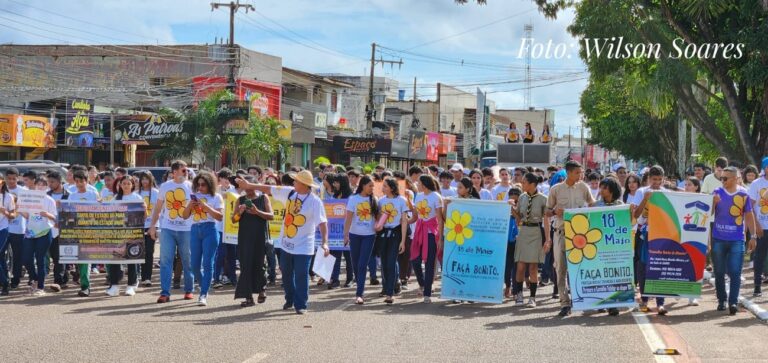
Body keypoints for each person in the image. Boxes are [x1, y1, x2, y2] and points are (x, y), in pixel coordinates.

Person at [236, 170, 329, 314]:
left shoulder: (314, 201)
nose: (293, 183)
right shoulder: (290, 192)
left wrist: (324, 242)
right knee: (286, 273)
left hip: (304, 246)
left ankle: (301, 305)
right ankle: (289, 299)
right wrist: (249, 184)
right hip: (286, 243)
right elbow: (268, 189)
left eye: (296, 181)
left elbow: (322, 223)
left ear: (304, 184)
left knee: (301, 275)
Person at [546, 161, 595, 317]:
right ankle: (564, 303)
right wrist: (554, 211)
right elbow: (546, 211)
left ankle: (581, 299)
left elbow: (593, 204)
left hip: (581, 235)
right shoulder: (556, 190)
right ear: (568, 173)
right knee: (561, 269)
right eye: (577, 173)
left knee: (580, 269)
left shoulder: (583, 187)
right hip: (561, 232)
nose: (580, 175)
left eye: (581, 172)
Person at [710, 167, 757, 315]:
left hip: (737, 239)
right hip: (718, 238)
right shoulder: (717, 192)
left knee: (735, 272)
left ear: (735, 179)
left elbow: (749, 216)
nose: (722, 181)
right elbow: (708, 213)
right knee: (719, 272)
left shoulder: (744, 194)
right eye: (721, 178)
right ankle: (722, 300)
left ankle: (733, 302)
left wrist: (753, 236)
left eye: (725, 178)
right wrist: (714, 203)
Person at [149, 160, 195, 304]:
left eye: (187, 170)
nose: (186, 172)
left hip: (187, 229)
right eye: (183, 170)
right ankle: (164, 293)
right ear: (174, 172)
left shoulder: (192, 187)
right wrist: (152, 226)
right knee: (165, 261)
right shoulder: (165, 186)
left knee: (187, 261)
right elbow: (157, 207)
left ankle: (189, 290)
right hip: (168, 228)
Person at [631, 165, 670, 315]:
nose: (657, 183)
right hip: (644, 234)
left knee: (660, 267)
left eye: (660, 180)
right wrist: (645, 200)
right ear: (649, 179)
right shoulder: (641, 192)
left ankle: (661, 303)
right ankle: (645, 300)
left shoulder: (666, 193)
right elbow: (636, 215)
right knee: (644, 267)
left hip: (662, 235)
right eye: (654, 179)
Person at [183, 171, 223, 306]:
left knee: (207, 263)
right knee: (194, 265)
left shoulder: (216, 197)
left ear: (210, 185)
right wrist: (190, 205)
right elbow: (184, 216)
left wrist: (206, 207)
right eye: (198, 184)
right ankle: (204, 285)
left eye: (203, 185)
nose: (200, 187)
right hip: (195, 230)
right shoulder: (194, 197)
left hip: (210, 229)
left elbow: (220, 217)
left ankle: (203, 294)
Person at [233, 175, 273, 307]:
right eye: (245, 188)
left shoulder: (263, 198)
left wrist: (257, 212)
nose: (248, 191)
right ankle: (248, 297)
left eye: (249, 187)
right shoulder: (240, 200)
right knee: (245, 265)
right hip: (245, 237)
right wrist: (240, 212)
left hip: (260, 236)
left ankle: (262, 290)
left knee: (260, 264)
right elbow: (234, 219)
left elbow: (271, 216)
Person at [513, 173, 551, 307]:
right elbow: (518, 218)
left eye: (524, 182)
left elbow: (546, 220)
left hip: (536, 232)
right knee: (520, 266)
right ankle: (518, 294)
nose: (522, 184)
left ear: (532, 184)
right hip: (523, 231)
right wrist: (512, 208)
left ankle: (533, 298)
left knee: (533, 267)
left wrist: (548, 239)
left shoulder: (543, 199)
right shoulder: (522, 197)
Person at [105, 175, 143, 297]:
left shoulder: (137, 197)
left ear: (132, 185)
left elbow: (144, 215)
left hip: (133, 232)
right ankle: (114, 285)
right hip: (118, 233)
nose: (126, 185)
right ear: (120, 185)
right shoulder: (115, 198)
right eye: (124, 183)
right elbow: (108, 214)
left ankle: (131, 285)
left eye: (128, 183)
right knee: (115, 259)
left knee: (132, 259)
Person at [18, 177, 56, 296]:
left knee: (40, 259)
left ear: (47, 187)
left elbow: (55, 217)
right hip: (30, 232)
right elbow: (28, 216)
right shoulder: (30, 199)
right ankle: (35, 278)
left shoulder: (49, 200)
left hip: (44, 232)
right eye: (38, 184)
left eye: (43, 185)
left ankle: (40, 287)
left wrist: (46, 214)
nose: (40, 187)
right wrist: (20, 210)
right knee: (25, 258)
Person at [343, 175, 378, 305]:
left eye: (373, 186)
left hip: (369, 236)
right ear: (363, 185)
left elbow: (378, 217)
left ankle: (359, 293)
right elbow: (349, 218)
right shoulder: (353, 199)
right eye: (370, 185)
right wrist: (346, 235)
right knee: (356, 263)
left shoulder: (374, 199)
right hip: (354, 235)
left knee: (362, 264)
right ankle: (359, 285)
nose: (372, 188)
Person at [411, 175, 444, 303]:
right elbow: (415, 216)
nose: (417, 185)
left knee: (430, 263)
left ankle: (427, 293)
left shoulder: (436, 196)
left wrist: (440, 238)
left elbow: (440, 220)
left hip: (431, 232)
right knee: (415, 259)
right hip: (419, 230)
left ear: (424, 184)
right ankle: (423, 283)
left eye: (418, 183)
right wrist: (404, 221)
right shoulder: (418, 196)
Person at [68, 170, 101, 297]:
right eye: (77, 181)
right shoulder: (72, 195)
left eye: (81, 181)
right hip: (77, 229)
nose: (79, 184)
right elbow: (68, 212)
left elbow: (100, 210)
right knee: (80, 259)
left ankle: (85, 286)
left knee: (85, 258)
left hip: (90, 229)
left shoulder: (93, 193)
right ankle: (83, 282)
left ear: (86, 181)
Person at [594, 177, 624, 315]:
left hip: (614, 247)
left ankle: (613, 304)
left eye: (605, 188)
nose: (602, 190)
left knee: (613, 276)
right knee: (600, 275)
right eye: (601, 187)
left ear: (612, 190)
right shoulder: (595, 206)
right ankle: (601, 300)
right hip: (599, 245)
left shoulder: (621, 205)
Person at [378, 178, 410, 304]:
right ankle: (386, 287)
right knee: (384, 263)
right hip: (383, 234)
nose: (382, 188)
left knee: (391, 263)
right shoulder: (381, 201)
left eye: (385, 186)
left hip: (396, 234)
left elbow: (404, 221)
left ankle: (390, 293)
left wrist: (402, 241)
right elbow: (378, 219)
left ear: (392, 187)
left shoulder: (402, 200)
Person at [329, 174, 354, 289]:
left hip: (348, 230)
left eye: (336, 182)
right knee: (335, 256)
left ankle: (350, 278)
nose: (334, 184)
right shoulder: (334, 196)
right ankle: (335, 279)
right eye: (334, 182)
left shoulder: (351, 197)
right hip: (335, 232)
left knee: (349, 256)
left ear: (342, 182)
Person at [46, 171, 69, 292]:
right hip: (51, 229)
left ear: (59, 182)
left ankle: (58, 281)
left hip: (65, 230)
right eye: (48, 182)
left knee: (61, 256)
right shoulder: (47, 195)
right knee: (55, 256)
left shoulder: (69, 195)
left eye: (52, 182)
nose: (50, 184)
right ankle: (64, 278)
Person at [5, 168, 27, 290]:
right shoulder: (3, 189)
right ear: (6, 178)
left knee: (18, 256)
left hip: (19, 229)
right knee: (2, 255)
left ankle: (16, 279)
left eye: (14, 178)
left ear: (18, 178)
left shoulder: (23, 191)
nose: (11, 181)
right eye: (9, 178)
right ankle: (4, 278)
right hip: (3, 228)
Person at [749, 157, 768, 297]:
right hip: (762, 226)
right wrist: (757, 225)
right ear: (764, 168)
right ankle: (757, 286)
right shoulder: (757, 184)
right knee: (759, 257)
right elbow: (750, 206)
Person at [137, 171, 159, 287]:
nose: (144, 181)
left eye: (147, 179)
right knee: (140, 251)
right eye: (143, 179)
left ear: (151, 180)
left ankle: (148, 277)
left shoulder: (156, 193)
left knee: (149, 251)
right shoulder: (137, 193)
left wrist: (154, 226)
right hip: (139, 226)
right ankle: (142, 275)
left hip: (152, 225)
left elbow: (159, 210)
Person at [0, 173, 16, 296]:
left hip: (3, 229)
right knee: (1, 258)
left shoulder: (8, 197)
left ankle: (5, 283)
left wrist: (4, 211)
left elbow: (13, 215)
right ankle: (5, 283)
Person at [503, 186, 521, 299]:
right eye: (512, 198)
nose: (514, 201)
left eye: (516, 200)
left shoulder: (523, 207)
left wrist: (514, 209)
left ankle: (515, 290)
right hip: (506, 241)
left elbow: (520, 219)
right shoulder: (504, 207)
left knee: (517, 266)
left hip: (518, 240)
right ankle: (508, 286)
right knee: (507, 266)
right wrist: (507, 206)